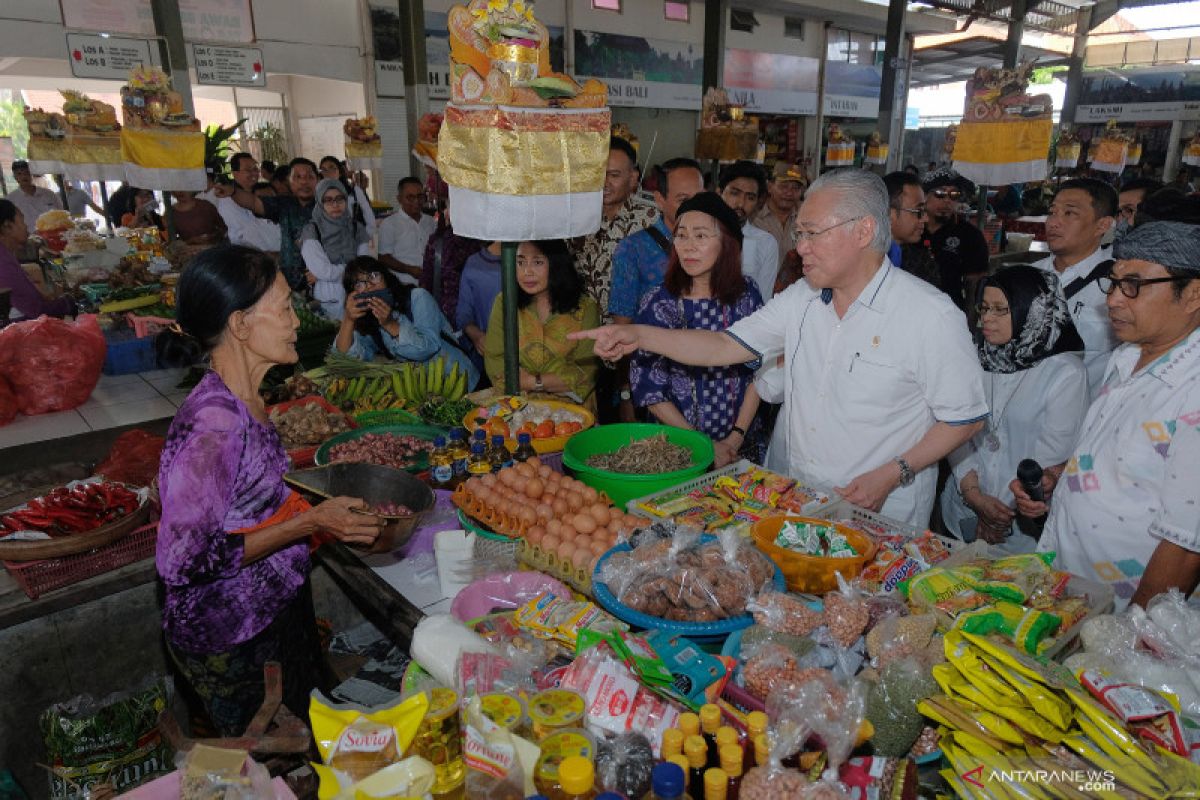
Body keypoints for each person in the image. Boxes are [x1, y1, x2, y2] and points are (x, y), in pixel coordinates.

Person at [573, 170, 987, 526]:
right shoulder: (801, 298)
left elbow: (964, 419)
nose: (800, 246)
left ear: (862, 231)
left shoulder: (928, 314)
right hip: (798, 496)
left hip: (879, 508)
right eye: (799, 233)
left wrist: (895, 473)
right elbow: (723, 345)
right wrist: (640, 336)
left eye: (812, 234)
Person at [154, 245, 382, 735]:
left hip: (275, 607)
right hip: (232, 635)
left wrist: (306, 512)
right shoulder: (215, 429)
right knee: (276, 763)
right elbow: (180, 563)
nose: (296, 320)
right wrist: (310, 522)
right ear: (240, 325)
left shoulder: (250, 400)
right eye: (283, 308)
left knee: (314, 736)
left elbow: (245, 502)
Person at [1011, 221, 1200, 609]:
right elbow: (1117, 454)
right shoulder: (1127, 356)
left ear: (1194, 294)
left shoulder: (1191, 389)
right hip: (1072, 586)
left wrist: (1133, 639)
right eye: (1113, 282)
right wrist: (1059, 477)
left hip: (1127, 609)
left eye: (1133, 285)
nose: (1113, 299)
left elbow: (1184, 546)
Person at [940, 266, 1088, 552]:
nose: (986, 319)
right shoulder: (974, 354)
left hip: (1020, 526)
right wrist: (974, 498)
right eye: (983, 308)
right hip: (962, 505)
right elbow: (956, 428)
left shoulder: (1065, 373)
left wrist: (998, 514)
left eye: (1000, 310)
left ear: (1032, 311)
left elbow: (1049, 458)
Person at [630, 192, 765, 466]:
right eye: (681, 235)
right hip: (678, 448)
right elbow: (648, 390)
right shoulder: (657, 303)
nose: (688, 246)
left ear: (727, 243)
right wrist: (704, 446)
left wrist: (733, 440)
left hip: (742, 444)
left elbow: (761, 370)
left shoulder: (747, 295)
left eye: (701, 236)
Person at [484, 239, 600, 409]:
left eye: (537, 262)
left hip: (572, 412)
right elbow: (495, 360)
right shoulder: (505, 302)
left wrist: (533, 382)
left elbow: (586, 373)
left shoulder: (585, 308)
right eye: (520, 262)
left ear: (556, 264)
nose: (527, 272)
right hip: (516, 407)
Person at [334, 256, 479, 388]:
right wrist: (348, 320)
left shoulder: (417, 298)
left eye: (374, 276)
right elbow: (345, 361)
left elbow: (427, 348)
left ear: (386, 277)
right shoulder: (368, 319)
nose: (370, 286)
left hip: (460, 384)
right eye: (360, 284)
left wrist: (390, 324)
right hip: (422, 394)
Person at [1033, 178, 1118, 397]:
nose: (1053, 222)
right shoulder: (1026, 276)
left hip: (1083, 416)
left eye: (1069, 214)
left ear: (1103, 225)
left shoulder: (1117, 285)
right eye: (1052, 212)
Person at [608, 157, 704, 323]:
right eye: (683, 200)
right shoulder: (632, 249)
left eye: (701, 197)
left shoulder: (716, 244)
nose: (695, 206)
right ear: (660, 200)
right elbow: (622, 324)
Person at [572, 136, 658, 320]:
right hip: (580, 332)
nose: (604, 183)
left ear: (633, 177)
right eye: (598, 174)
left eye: (614, 175)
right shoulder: (574, 219)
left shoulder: (651, 219)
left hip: (633, 332)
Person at [301, 179, 371, 320]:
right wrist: (352, 269)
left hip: (358, 293)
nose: (335, 204)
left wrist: (335, 271)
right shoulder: (312, 230)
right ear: (320, 203)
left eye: (340, 199)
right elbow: (323, 271)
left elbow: (364, 265)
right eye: (328, 200)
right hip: (328, 299)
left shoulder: (357, 228)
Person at [922, 169, 989, 309]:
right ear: (924, 196)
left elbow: (975, 288)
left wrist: (968, 327)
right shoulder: (910, 228)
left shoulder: (970, 235)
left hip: (949, 313)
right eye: (940, 193)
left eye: (954, 194)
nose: (947, 200)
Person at [0, 199, 76, 320]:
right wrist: (70, 302)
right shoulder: (4, 264)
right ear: (8, 226)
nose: (26, 226)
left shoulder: (6, 255)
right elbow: (36, 311)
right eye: (22, 221)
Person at [719, 161, 779, 300]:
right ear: (720, 192)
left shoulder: (766, 242)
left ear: (758, 202)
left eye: (750, 197)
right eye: (735, 193)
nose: (741, 203)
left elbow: (763, 298)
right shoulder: (701, 236)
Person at [420, 201, 481, 322]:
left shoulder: (483, 243)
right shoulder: (437, 242)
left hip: (476, 317)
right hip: (445, 318)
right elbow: (426, 280)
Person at [882, 170, 940, 290]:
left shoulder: (922, 264)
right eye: (919, 212)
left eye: (924, 211)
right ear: (888, 213)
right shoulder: (862, 261)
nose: (925, 218)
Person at [215, 153, 281, 253]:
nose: (254, 173)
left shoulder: (264, 190)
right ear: (235, 173)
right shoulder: (227, 199)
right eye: (248, 170)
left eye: (255, 169)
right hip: (252, 255)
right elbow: (246, 233)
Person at [378, 177, 436, 285]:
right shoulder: (390, 224)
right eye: (410, 197)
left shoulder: (431, 222)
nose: (416, 201)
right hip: (403, 285)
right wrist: (409, 269)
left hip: (430, 284)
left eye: (420, 196)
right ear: (399, 199)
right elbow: (383, 257)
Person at [456, 240, 503, 373]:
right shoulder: (473, 264)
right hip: (488, 351)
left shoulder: (527, 261)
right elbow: (463, 313)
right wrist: (476, 335)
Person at [752, 162, 806, 269]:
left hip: (799, 284)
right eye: (783, 186)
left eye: (795, 188)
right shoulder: (753, 217)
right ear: (770, 187)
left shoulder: (807, 218)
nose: (789, 193)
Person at [319, 156, 375, 239]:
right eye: (324, 170)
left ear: (340, 172)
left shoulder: (354, 191)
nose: (328, 173)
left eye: (332, 168)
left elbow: (369, 215)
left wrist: (366, 234)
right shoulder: (318, 194)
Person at [4, 161, 61, 226]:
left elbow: (61, 214)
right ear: (15, 177)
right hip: (28, 236)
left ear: (32, 174)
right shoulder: (10, 200)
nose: (24, 176)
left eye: (27, 172)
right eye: (19, 174)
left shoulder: (49, 194)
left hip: (54, 233)